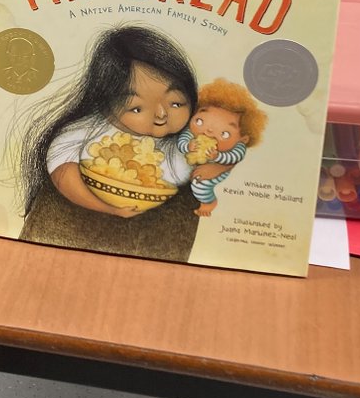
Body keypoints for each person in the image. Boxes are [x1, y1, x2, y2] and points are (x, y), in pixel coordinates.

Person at [18, 25, 230, 261]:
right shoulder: (87, 130)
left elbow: (191, 170)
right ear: (106, 105)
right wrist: (109, 209)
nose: (161, 115)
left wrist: (208, 157)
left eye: (176, 103)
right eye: (137, 108)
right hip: (82, 224)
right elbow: (63, 171)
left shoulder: (182, 141)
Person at [177, 79, 267, 217]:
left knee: (200, 184)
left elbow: (236, 156)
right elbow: (182, 140)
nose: (207, 132)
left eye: (224, 133)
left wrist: (218, 157)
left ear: (242, 138)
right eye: (200, 121)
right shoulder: (192, 132)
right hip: (192, 162)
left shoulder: (239, 146)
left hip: (218, 166)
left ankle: (208, 202)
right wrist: (188, 145)